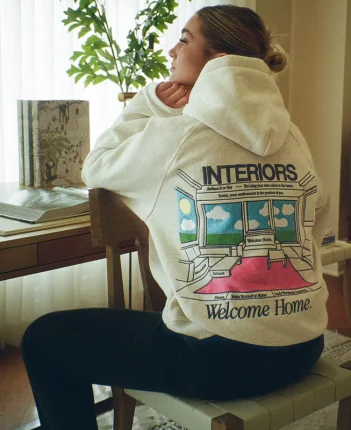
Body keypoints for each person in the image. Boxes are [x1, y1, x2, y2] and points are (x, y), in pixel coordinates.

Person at [22, 5, 330, 430]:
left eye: (184, 40)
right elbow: (318, 216)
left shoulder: (175, 137)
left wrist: (147, 104)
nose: (172, 51)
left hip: (220, 361)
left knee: (44, 340)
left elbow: (95, 166)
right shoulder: (293, 136)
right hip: (304, 344)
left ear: (219, 59)